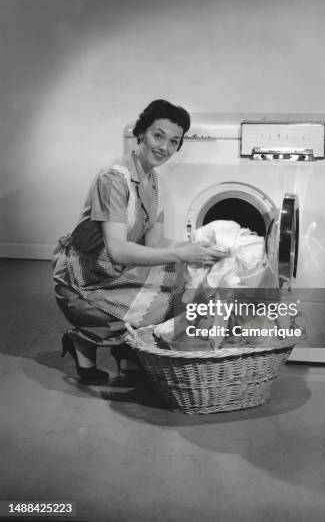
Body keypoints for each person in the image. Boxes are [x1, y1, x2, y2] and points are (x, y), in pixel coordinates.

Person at [52, 99, 228, 383]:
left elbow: (156, 243)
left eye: (174, 141)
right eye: (158, 136)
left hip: (112, 273)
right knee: (166, 301)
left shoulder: (153, 182)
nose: (165, 147)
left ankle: (130, 350)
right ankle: (84, 340)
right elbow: (118, 250)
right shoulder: (113, 179)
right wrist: (184, 255)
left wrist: (199, 246)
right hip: (82, 282)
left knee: (182, 285)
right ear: (141, 133)